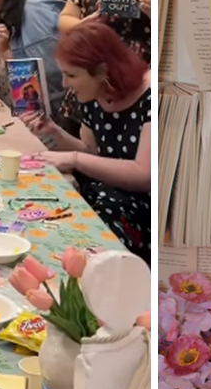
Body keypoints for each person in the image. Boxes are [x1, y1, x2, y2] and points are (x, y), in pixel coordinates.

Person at [22, 22, 150, 262]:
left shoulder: (151, 98)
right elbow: (92, 153)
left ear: (102, 71)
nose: (64, 84)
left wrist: (74, 160)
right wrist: (55, 132)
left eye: (71, 75)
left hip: (141, 209)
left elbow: (144, 175)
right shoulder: (93, 93)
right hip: (106, 193)